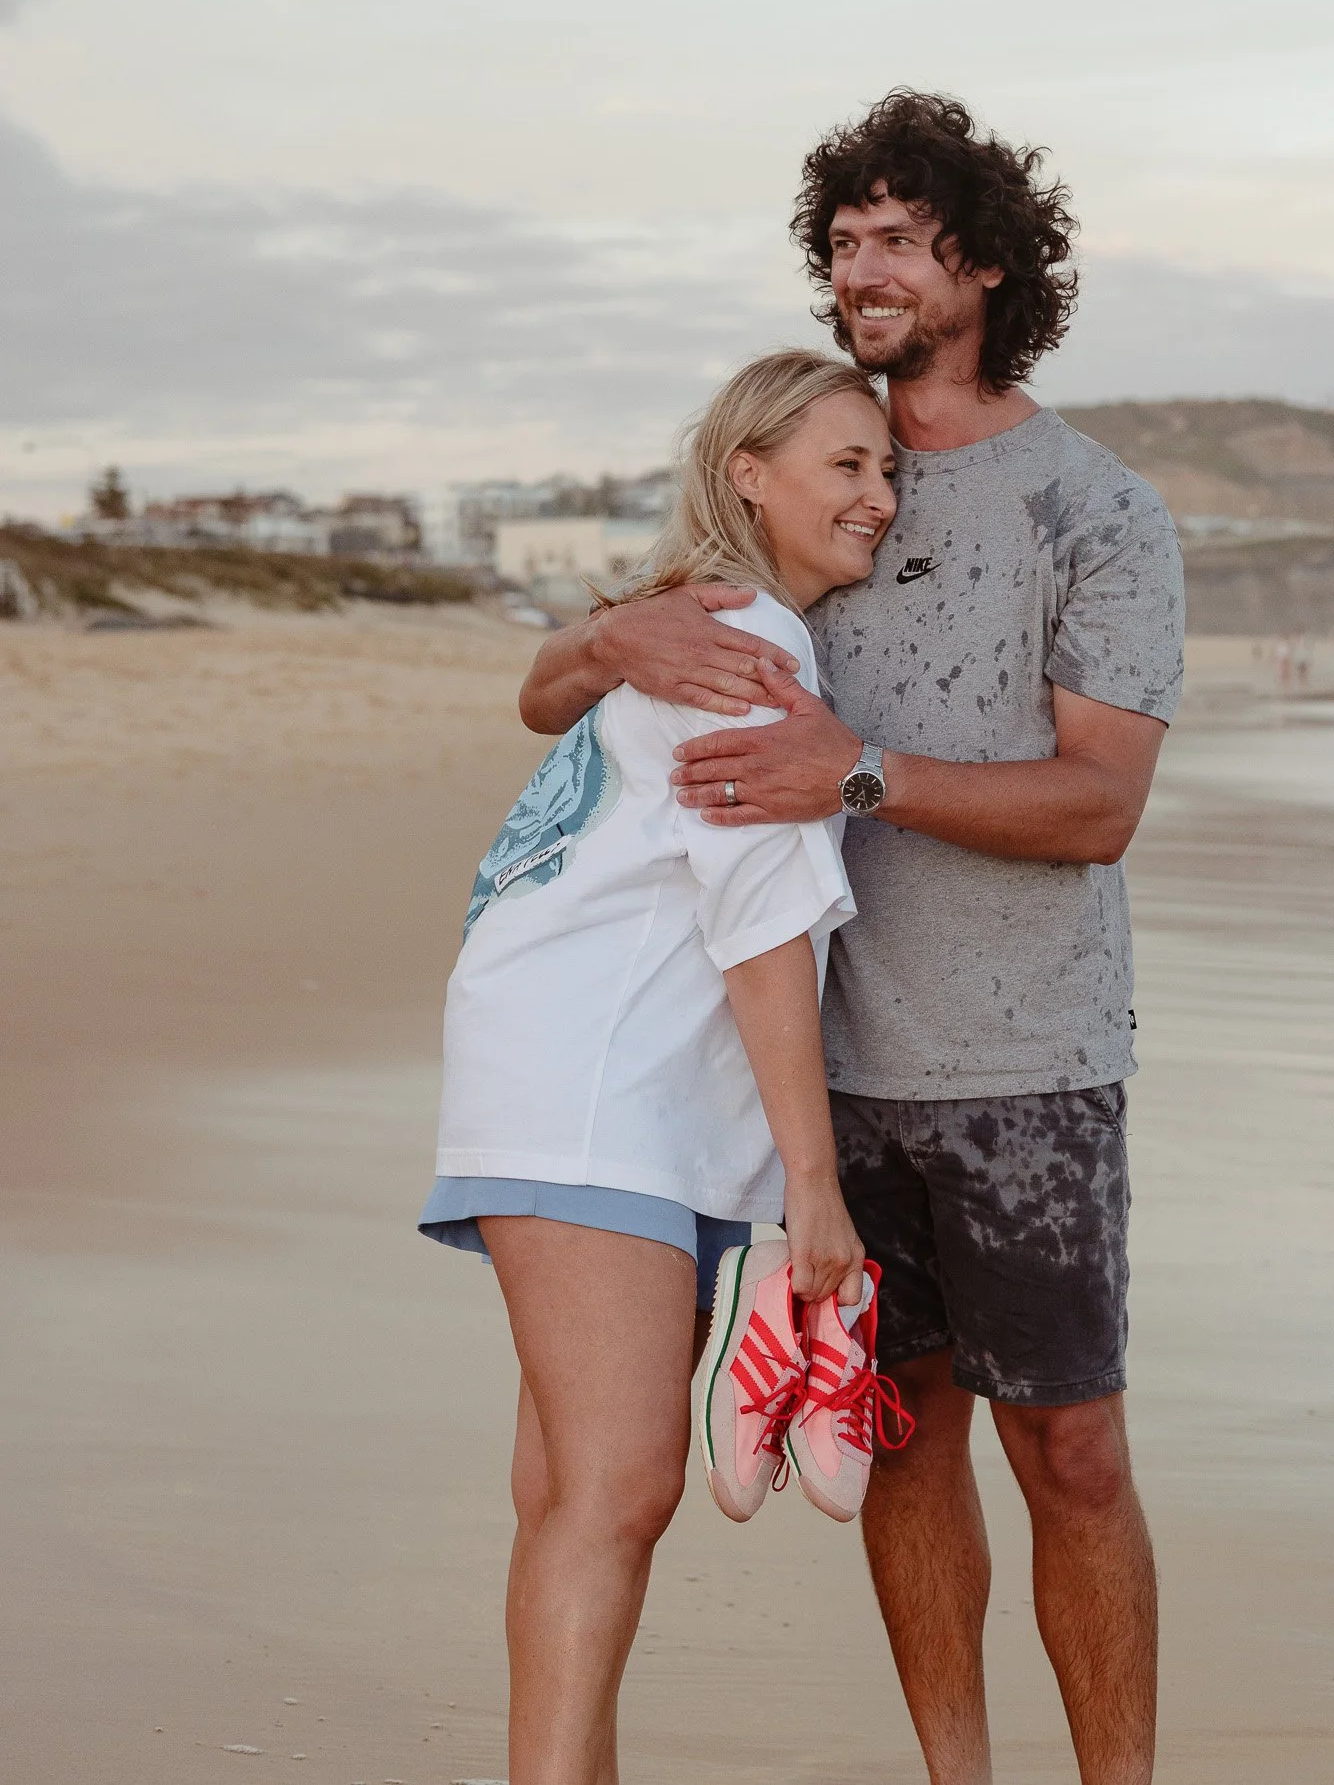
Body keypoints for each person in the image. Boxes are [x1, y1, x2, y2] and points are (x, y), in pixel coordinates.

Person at [521, 91, 1185, 1785]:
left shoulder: (1091, 507)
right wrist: (608, 638)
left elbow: (1099, 804)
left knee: (1075, 1456)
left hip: (1027, 1058)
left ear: (988, 261)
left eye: (899, 237)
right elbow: (575, 676)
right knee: (895, 1446)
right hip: (818, 1071)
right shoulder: (814, 466)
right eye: (840, 243)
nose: (861, 269)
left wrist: (858, 773)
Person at [421, 349, 898, 1785]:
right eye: (845, 465)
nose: (879, 497)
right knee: (616, 1492)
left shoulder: (699, 621)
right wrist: (814, 1188)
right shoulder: (749, 645)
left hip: (583, 1077)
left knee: (572, 1491)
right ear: (747, 472)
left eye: (887, 469)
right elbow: (761, 929)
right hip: (598, 1089)